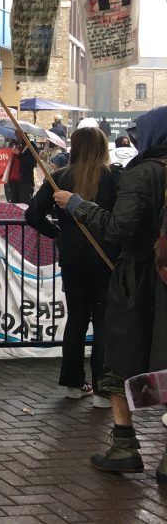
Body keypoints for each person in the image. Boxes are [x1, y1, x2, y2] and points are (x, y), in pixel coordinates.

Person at [54, 106, 167, 478]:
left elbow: (118, 227)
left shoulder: (145, 173)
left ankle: (123, 445)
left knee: (120, 361)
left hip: (138, 282)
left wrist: (77, 205)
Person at [27, 128, 118, 406]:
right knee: (103, 322)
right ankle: (103, 392)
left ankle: (73, 384)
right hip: (105, 259)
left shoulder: (60, 178)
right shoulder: (114, 177)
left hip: (72, 260)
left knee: (77, 319)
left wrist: (56, 232)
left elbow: (32, 215)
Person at [3, 139, 37, 203]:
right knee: (14, 205)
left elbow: (32, 164)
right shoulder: (16, 146)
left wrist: (19, 154)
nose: (15, 135)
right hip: (12, 182)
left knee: (24, 205)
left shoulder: (31, 147)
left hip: (24, 183)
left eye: (17, 133)